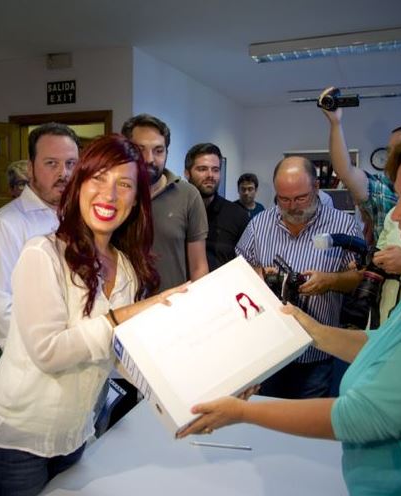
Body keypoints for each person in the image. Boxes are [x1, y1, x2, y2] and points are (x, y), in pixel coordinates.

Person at [179, 120, 401, 495]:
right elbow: (391, 344)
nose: (395, 215)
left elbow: (366, 416)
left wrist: (241, 412)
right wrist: (310, 329)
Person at [0, 134, 185, 496]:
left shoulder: (126, 266)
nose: (109, 194)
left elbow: (117, 354)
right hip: (16, 439)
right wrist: (127, 316)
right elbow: (49, 352)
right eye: (98, 178)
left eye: (125, 184)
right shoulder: (43, 254)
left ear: (137, 200)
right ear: (79, 185)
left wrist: (186, 385)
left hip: (73, 432)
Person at [235, 156, 362, 398]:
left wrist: (331, 281)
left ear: (316, 187)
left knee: (308, 425)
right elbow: (239, 270)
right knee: (265, 422)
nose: (293, 206)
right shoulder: (259, 224)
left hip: (316, 352)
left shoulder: (343, 225)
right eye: (284, 199)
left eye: (301, 198)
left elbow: (359, 277)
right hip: (267, 351)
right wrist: (260, 275)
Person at [0, 123, 79, 383]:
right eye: (51, 163)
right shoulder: (4, 226)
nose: (64, 173)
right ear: (30, 169)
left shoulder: (77, 219)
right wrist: (51, 351)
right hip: (17, 361)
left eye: (71, 163)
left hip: (69, 357)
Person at [319, 85, 401, 243]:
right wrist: (335, 123)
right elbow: (344, 171)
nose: (392, 158)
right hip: (385, 267)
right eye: (390, 152)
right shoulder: (384, 189)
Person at [121, 114, 209, 291]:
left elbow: (199, 267)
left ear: (167, 152)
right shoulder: (113, 195)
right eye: (140, 149)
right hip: (124, 311)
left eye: (158, 150)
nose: (149, 159)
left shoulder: (188, 195)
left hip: (174, 311)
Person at [184, 142, 249, 271]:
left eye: (215, 170)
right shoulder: (177, 213)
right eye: (202, 169)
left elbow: (245, 265)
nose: (210, 175)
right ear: (187, 173)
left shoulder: (237, 216)